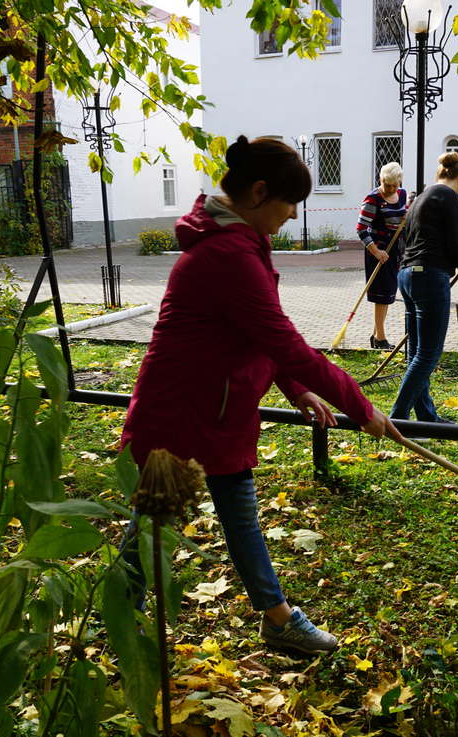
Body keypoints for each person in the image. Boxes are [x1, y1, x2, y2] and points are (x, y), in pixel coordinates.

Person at [119, 135, 400, 655]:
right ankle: (119, 621)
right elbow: (285, 343)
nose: (292, 215)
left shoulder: (238, 244)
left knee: (233, 519)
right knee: (153, 529)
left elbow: (258, 333)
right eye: (289, 202)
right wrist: (360, 407)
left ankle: (277, 619)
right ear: (259, 192)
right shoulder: (227, 254)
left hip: (215, 412)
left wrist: (295, 389)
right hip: (181, 418)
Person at [390, 152, 458, 422]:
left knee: (416, 352)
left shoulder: (420, 197)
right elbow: (455, 239)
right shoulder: (449, 197)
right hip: (429, 277)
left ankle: (425, 417)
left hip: (407, 274)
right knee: (428, 354)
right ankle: (398, 419)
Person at [355, 162, 408, 349]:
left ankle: (376, 335)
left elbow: (403, 217)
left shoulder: (402, 194)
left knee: (388, 293)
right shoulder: (373, 199)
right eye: (387, 185)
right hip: (378, 251)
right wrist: (376, 252)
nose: (391, 189)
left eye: (394, 185)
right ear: (381, 179)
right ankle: (380, 338)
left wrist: (407, 217)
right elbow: (361, 229)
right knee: (381, 295)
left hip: (395, 250)